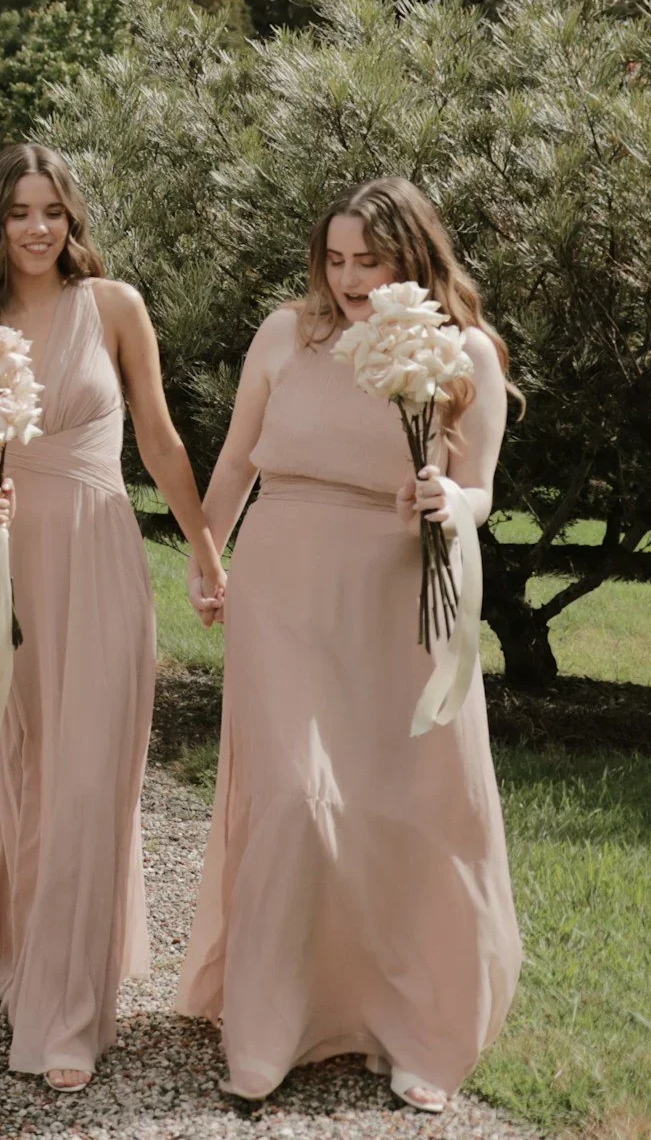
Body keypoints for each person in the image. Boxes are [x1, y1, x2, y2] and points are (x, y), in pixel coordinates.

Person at [176, 177, 519, 1113]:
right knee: (293, 799)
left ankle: (413, 1027)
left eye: (369, 259)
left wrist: (452, 501)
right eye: (335, 259)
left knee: (404, 807)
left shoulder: (465, 353)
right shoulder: (287, 335)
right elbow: (239, 457)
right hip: (283, 589)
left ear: (415, 257)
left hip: (402, 594)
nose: (350, 277)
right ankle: (269, 1026)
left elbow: (481, 486)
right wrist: (207, 558)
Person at [0, 143, 224, 1090]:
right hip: (5, 562)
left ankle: (67, 1010)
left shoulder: (115, 308)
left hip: (99, 553)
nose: (35, 227)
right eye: (18, 210)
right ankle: (30, 959)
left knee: (92, 774)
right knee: (23, 770)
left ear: (73, 218)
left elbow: (160, 434)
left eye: (51, 209)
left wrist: (207, 546)